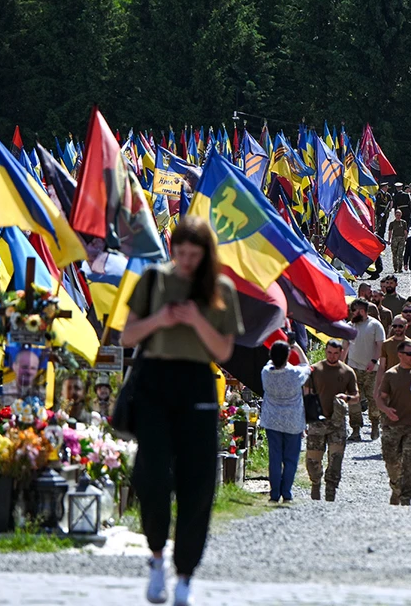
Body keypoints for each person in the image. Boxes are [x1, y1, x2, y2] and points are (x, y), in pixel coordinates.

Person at [122, 216, 243, 606]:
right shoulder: (154, 279)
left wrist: (194, 320)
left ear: (206, 253)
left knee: (198, 482)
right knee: (152, 475)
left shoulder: (220, 288)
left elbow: (223, 351)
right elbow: (127, 335)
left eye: (194, 254)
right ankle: (157, 558)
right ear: (172, 249)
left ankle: (186, 574)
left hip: (197, 381)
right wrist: (161, 318)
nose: (187, 261)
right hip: (154, 380)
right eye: (181, 253)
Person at [306, 340, 360, 502]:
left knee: (336, 461)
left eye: (336, 353)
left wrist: (346, 398)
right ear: (325, 351)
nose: (332, 356)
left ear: (341, 353)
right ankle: (315, 484)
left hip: (337, 423)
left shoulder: (347, 372)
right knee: (312, 462)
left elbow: (356, 397)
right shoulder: (315, 369)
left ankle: (330, 493)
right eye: (329, 352)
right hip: (317, 421)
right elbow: (307, 394)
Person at [259, 341, 310, 503]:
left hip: (272, 420)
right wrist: (298, 349)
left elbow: (270, 362)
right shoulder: (295, 374)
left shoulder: (266, 373)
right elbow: (307, 366)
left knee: (275, 457)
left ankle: (274, 493)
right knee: (291, 459)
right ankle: (286, 492)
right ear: (288, 356)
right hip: (293, 421)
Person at [376, 340, 411, 506]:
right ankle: (396, 488)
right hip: (392, 426)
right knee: (391, 462)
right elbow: (380, 400)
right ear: (400, 355)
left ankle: (406, 499)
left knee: (410, 463)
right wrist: (386, 410)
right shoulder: (391, 374)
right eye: (410, 354)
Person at [343, 299, 385, 441]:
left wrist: (374, 361)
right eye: (352, 310)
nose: (353, 313)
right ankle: (355, 429)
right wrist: (341, 365)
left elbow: (380, 346)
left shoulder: (375, 326)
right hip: (353, 368)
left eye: (356, 310)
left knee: (373, 398)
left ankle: (374, 424)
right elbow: (345, 346)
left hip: (371, 370)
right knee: (353, 399)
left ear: (363, 311)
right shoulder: (350, 326)